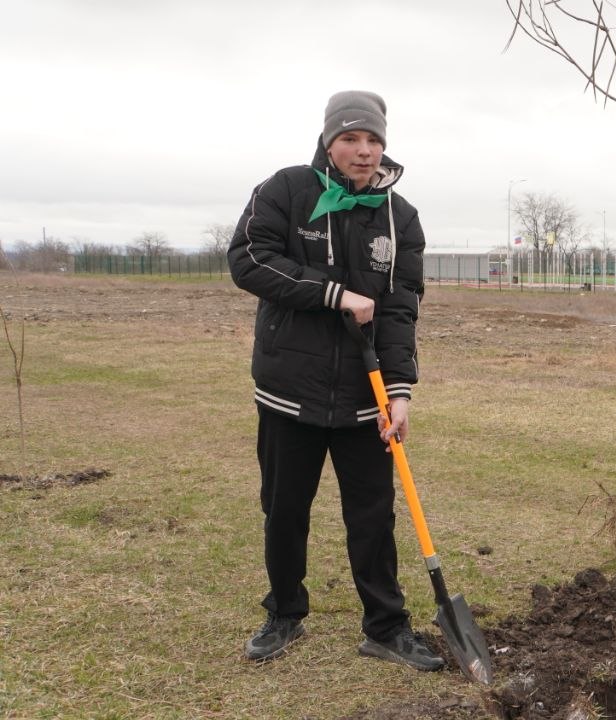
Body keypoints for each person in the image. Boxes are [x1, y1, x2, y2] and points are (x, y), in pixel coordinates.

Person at [228, 90, 441, 671]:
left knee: (373, 515)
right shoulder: (286, 190)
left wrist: (399, 392)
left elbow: (400, 309)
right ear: (328, 141)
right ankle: (284, 612)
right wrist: (333, 294)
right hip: (288, 388)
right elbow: (248, 259)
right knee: (285, 508)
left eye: (373, 140)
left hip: (364, 394)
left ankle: (385, 627)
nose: (364, 150)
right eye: (350, 138)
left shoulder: (400, 217)